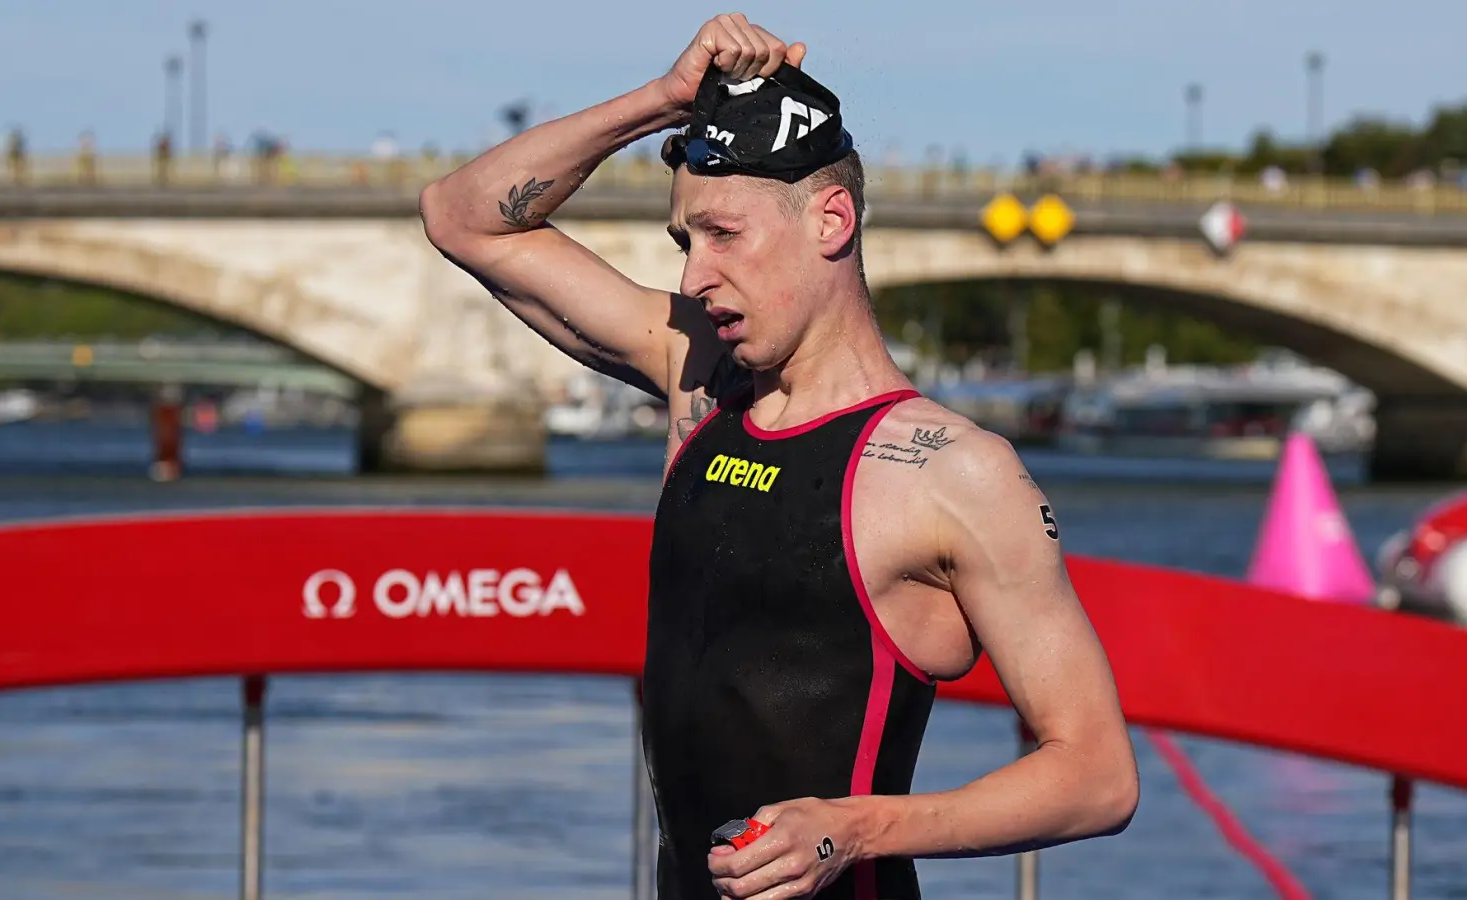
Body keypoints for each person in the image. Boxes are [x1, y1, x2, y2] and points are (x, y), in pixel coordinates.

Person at [420, 14, 1138, 899]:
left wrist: (854, 828)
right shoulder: (700, 379)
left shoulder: (949, 470)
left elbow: (1097, 775)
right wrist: (663, 101)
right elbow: (461, 217)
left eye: (724, 234)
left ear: (831, 219)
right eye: (686, 242)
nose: (692, 277)